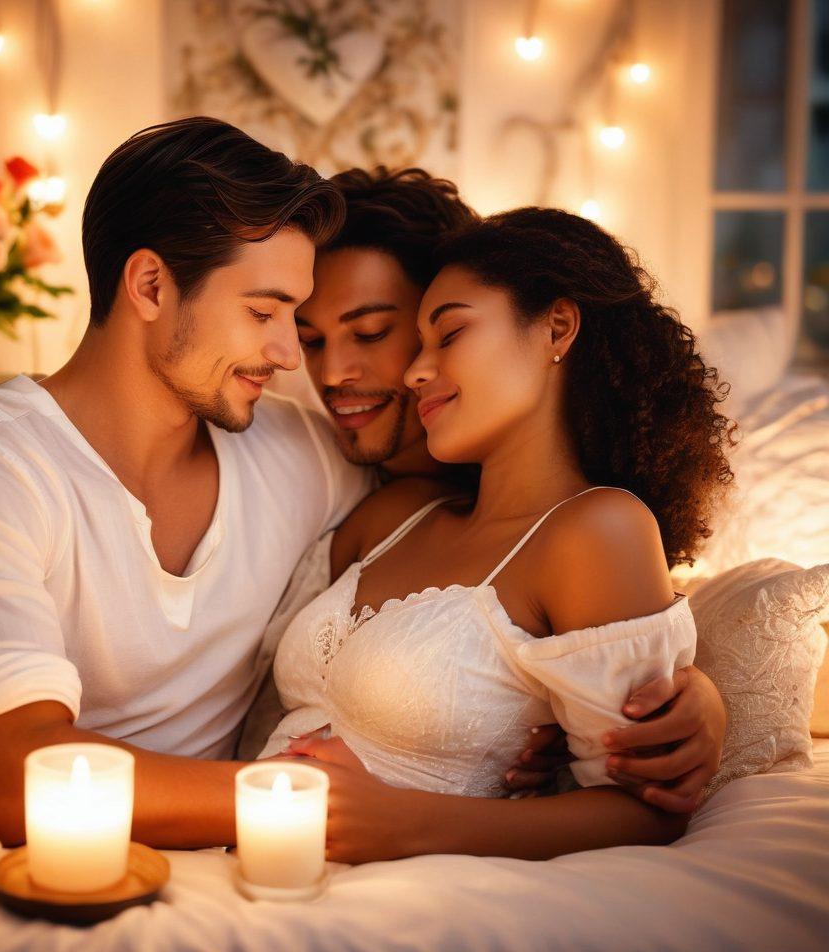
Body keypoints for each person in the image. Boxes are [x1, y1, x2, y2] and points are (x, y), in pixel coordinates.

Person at [0, 117, 373, 848]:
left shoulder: (297, 451)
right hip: (79, 871)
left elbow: (449, 513)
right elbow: (13, 774)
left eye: (291, 316)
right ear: (149, 285)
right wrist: (305, 796)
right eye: (263, 311)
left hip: (245, 861)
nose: (288, 355)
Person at [260, 206, 736, 863]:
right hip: (251, 862)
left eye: (447, 334)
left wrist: (403, 824)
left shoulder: (598, 531)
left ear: (556, 328)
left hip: (400, 894)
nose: (413, 371)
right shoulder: (395, 513)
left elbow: (646, 812)